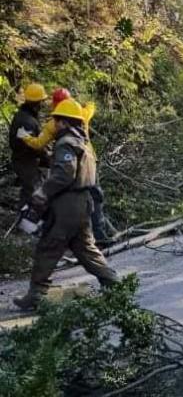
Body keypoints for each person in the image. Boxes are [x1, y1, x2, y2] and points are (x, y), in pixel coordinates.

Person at [13, 98, 118, 310]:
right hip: (83, 201)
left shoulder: (66, 143)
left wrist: (43, 192)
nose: (55, 124)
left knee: (48, 246)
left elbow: (63, 174)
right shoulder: (83, 142)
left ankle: (36, 294)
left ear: (65, 122)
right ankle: (113, 284)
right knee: (85, 248)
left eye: (57, 120)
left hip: (68, 204)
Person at [17, 88, 114, 243]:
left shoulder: (53, 124)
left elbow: (39, 144)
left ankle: (80, 238)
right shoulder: (83, 113)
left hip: (70, 164)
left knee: (73, 199)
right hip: (89, 161)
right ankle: (99, 234)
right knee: (94, 196)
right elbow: (91, 105)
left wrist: (25, 137)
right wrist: (86, 102)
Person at [9, 83, 49, 207]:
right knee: (35, 192)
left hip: (23, 160)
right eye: (41, 101)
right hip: (25, 162)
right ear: (36, 103)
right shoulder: (27, 121)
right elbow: (33, 146)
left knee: (29, 191)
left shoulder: (23, 115)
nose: (43, 104)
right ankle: (26, 222)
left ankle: (23, 219)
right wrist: (47, 157)